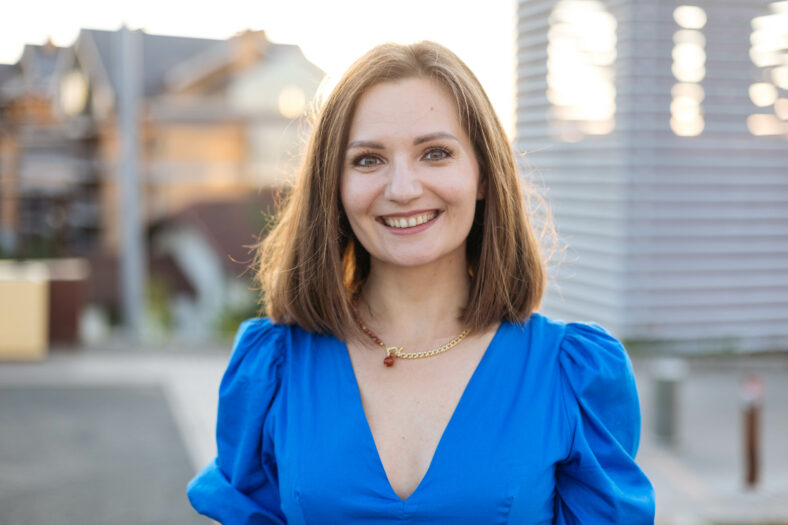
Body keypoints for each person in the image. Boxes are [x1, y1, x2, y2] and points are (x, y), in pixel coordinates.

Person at [187, 41, 655, 524]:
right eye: (368, 159)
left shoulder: (571, 374)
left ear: (483, 176)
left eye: (435, 153)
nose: (404, 189)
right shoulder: (273, 368)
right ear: (335, 187)